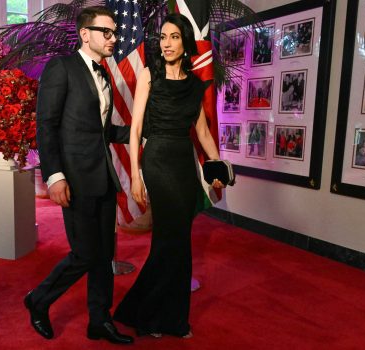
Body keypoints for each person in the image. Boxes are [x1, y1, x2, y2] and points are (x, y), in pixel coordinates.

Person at [25, 6, 133, 345]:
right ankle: (38, 300)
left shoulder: (104, 74)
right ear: (85, 34)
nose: (114, 38)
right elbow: (46, 125)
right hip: (74, 177)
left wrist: (140, 130)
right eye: (108, 32)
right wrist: (55, 176)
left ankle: (100, 320)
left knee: (103, 255)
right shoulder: (62, 67)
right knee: (85, 253)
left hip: (102, 177)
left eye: (115, 32)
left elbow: (100, 132)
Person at [113, 13, 225, 339]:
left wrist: (216, 166)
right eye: (163, 37)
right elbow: (134, 131)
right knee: (168, 241)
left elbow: (202, 132)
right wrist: (135, 176)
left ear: (185, 42)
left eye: (174, 37)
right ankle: (148, 315)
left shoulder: (194, 85)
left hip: (183, 165)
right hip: (158, 161)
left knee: (179, 243)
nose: (167, 43)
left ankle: (172, 319)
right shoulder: (150, 75)